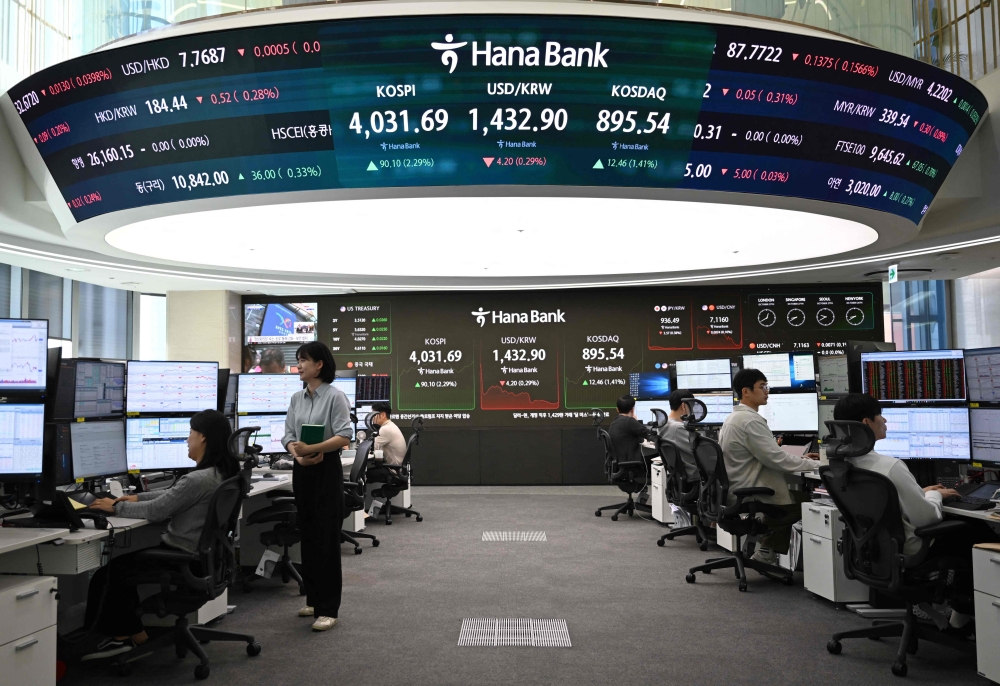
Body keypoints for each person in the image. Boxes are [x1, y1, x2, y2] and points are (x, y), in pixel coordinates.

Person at [81, 410, 238, 661]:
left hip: (183, 558)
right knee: (123, 568)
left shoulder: (198, 479)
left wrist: (116, 507)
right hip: (205, 559)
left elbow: (158, 510)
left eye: (190, 433)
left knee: (110, 573)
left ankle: (121, 638)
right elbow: (174, 494)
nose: (187, 440)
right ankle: (136, 635)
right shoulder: (223, 472)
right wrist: (134, 497)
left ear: (203, 438)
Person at [832, 393, 992, 633]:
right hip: (909, 551)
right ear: (867, 423)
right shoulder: (890, 466)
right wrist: (934, 495)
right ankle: (965, 614)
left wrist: (919, 491)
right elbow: (927, 518)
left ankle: (959, 614)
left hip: (871, 552)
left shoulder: (840, 465)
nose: (884, 421)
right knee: (977, 533)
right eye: (880, 416)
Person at [282, 341, 352, 632]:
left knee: (326, 539)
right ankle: (312, 598)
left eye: (303, 360)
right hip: (303, 470)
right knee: (308, 536)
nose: (298, 365)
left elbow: (345, 435)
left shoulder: (335, 397)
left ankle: (328, 608)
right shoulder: (297, 398)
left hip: (326, 470)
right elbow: (287, 434)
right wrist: (297, 453)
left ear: (319, 364)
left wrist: (315, 448)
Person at [719, 368, 817, 567]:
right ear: (746, 391)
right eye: (762, 386)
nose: (767, 391)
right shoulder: (749, 421)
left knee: (795, 500)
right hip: (750, 490)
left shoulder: (733, 418)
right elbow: (776, 459)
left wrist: (800, 458)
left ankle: (765, 548)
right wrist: (817, 464)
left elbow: (770, 455)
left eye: (766, 386)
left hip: (737, 487)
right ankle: (764, 542)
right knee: (808, 505)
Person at [658, 390, 699, 483]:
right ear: (683, 406)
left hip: (679, 479)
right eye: (691, 406)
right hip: (693, 477)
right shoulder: (678, 428)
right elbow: (700, 451)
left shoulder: (662, 424)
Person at [608, 395, 651, 468]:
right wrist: (635, 420)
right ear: (632, 410)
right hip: (631, 464)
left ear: (617, 410)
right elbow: (648, 435)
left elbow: (640, 439)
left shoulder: (614, 422)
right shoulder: (629, 421)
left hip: (618, 464)